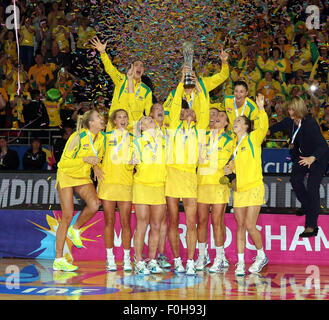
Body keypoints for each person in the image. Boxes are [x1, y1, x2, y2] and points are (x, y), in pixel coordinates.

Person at [165, 68, 209, 276]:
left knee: (191, 223)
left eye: (192, 111)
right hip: (172, 177)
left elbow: (204, 104)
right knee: (173, 221)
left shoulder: (200, 131)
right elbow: (175, 103)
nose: (189, 112)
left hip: (190, 178)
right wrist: (182, 81)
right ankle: (176, 260)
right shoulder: (173, 127)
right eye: (186, 111)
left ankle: (190, 260)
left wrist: (197, 83)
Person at [268, 96, 329, 237]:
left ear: (298, 109)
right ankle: (308, 206)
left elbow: (323, 145)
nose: (289, 112)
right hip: (302, 157)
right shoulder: (290, 121)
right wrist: (264, 133)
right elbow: (274, 128)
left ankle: (311, 226)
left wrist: (312, 158)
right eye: (289, 109)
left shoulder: (310, 123)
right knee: (295, 181)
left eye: (291, 109)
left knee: (312, 187)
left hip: (318, 157)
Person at [53, 109, 105, 272]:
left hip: (82, 176)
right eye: (98, 117)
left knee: (95, 204)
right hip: (67, 175)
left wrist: (96, 166)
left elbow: (98, 156)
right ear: (91, 123)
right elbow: (63, 164)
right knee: (67, 215)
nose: (102, 118)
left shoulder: (102, 138)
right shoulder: (77, 137)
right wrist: (85, 159)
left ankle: (75, 229)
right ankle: (59, 259)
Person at [223, 93, 269, 276]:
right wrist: (228, 170)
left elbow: (264, 126)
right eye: (234, 121)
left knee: (250, 224)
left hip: (254, 187)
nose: (235, 122)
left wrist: (261, 109)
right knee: (240, 226)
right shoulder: (234, 144)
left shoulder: (253, 138)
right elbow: (233, 165)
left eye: (239, 121)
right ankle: (241, 262)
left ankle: (261, 255)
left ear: (247, 126)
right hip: (239, 190)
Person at [196, 107, 234, 273]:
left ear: (226, 123)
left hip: (219, 185)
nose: (218, 117)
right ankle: (202, 255)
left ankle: (219, 257)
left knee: (217, 221)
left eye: (222, 116)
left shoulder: (230, 139)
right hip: (203, 183)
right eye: (216, 115)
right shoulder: (203, 136)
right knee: (202, 221)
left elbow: (228, 161)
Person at [97, 109, 134, 272]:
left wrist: (135, 162)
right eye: (119, 117)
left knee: (126, 222)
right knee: (109, 221)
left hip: (126, 185)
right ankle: (110, 258)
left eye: (125, 117)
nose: (123, 119)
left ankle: (126, 259)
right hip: (108, 185)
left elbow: (136, 161)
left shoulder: (134, 139)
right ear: (113, 121)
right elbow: (96, 156)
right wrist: (96, 168)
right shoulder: (105, 138)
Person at [90, 36, 153, 132]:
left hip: (133, 130)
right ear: (131, 67)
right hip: (115, 126)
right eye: (136, 65)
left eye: (141, 66)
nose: (139, 67)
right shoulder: (122, 80)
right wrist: (103, 53)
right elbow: (110, 69)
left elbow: (149, 113)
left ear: (144, 70)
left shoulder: (146, 91)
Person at [132, 116, 167, 275]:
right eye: (146, 120)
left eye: (151, 119)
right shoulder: (136, 142)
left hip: (159, 186)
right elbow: (130, 160)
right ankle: (139, 261)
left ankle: (152, 260)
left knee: (157, 226)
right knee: (142, 224)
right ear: (141, 127)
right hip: (142, 186)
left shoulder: (164, 141)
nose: (150, 120)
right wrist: (131, 160)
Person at [163, 44, 229, 126]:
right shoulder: (175, 94)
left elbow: (223, 76)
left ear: (194, 72)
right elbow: (164, 111)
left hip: (203, 129)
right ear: (181, 75)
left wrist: (224, 62)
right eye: (185, 71)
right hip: (183, 131)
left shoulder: (202, 84)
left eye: (189, 70)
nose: (188, 73)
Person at [149, 102, 171, 269]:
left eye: (162, 110)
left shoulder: (169, 132)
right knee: (146, 222)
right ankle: (145, 258)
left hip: (166, 181)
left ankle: (161, 254)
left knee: (163, 221)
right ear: (150, 114)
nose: (160, 111)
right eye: (157, 109)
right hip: (148, 182)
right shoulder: (146, 131)